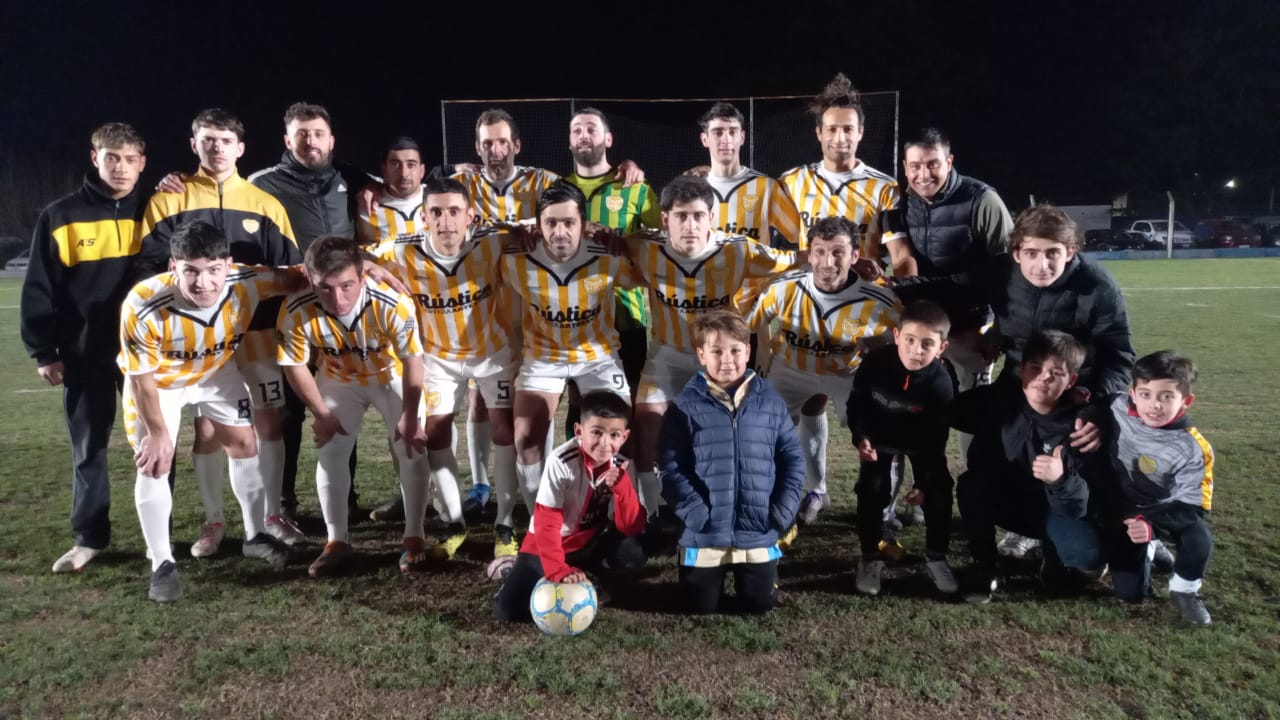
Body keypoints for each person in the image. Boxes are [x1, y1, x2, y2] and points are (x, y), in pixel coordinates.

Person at [138, 108, 302, 555]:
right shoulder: (168, 198)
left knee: (268, 421)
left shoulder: (264, 203)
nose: (217, 148)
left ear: (240, 148)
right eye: (208, 140)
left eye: (226, 140)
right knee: (208, 430)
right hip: (194, 340)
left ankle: (270, 516)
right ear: (194, 145)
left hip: (257, 336)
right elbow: (150, 267)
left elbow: (288, 272)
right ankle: (214, 521)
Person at [120, 221, 300, 602]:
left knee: (244, 443)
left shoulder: (247, 281)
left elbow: (301, 275)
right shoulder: (142, 303)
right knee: (155, 461)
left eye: (213, 270)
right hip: (161, 383)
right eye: (191, 271)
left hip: (215, 373)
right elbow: (141, 380)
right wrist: (158, 434)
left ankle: (254, 535)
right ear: (174, 267)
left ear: (228, 265)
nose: (203, 282)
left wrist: (369, 266)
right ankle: (162, 563)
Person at [629, 176, 799, 524]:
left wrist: (845, 262)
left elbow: (793, 260)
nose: (690, 225)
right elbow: (602, 242)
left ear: (711, 218)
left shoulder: (739, 249)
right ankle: (649, 513)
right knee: (646, 422)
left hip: (722, 358)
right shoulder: (643, 246)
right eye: (681, 216)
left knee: (737, 432)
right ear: (665, 219)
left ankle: (748, 502)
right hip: (668, 352)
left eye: (698, 216)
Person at [20, 123, 149, 573]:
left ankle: (160, 533)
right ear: (95, 158)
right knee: (89, 447)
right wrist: (44, 350)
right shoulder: (60, 215)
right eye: (112, 157)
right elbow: (39, 287)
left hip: (145, 353)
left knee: (155, 441)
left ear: (142, 163)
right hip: (84, 352)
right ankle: (90, 538)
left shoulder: (155, 209)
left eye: (130, 159)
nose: (121, 167)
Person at [373, 177, 517, 559]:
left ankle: (505, 523)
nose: (446, 220)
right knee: (435, 433)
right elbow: (349, 257)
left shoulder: (492, 242)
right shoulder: (401, 249)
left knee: (504, 430)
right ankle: (455, 524)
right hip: (438, 358)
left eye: (454, 211)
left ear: (470, 215)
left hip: (492, 353)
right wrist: (369, 265)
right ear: (423, 217)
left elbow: (532, 231)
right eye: (436, 212)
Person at [277, 236, 432, 576]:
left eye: (347, 285)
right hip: (339, 377)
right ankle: (336, 542)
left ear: (363, 276)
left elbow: (412, 360)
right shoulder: (295, 308)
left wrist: (410, 415)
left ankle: (414, 536)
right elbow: (294, 365)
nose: (338, 298)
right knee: (330, 449)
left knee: (411, 445)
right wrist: (321, 414)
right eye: (326, 288)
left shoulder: (392, 302)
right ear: (310, 278)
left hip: (390, 374)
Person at [502, 182, 641, 527]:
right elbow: (477, 233)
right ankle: (543, 524)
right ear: (538, 225)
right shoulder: (515, 258)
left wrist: (618, 238)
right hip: (543, 356)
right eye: (551, 223)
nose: (560, 231)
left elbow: (647, 269)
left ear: (584, 224)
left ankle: (615, 519)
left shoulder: (607, 256)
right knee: (526, 438)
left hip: (598, 356)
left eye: (569, 222)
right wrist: (515, 228)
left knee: (620, 434)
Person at [745, 216, 900, 527]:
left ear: (855, 256)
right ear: (810, 253)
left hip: (849, 373)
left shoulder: (880, 301)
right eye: (820, 251)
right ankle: (805, 495)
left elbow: (903, 339)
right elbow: (746, 326)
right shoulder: (783, 288)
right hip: (790, 368)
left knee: (880, 437)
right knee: (761, 435)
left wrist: (881, 356)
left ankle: (883, 512)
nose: (828, 262)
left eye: (838, 252)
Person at [659, 310, 805, 614]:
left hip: (757, 528)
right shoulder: (684, 406)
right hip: (706, 531)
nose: (727, 360)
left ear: (748, 351)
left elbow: (792, 458)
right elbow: (670, 466)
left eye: (735, 350)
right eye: (716, 351)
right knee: (699, 607)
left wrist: (781, 511)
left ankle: (761, 577)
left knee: (759, 605)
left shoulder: (770, 401)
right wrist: (696, 514)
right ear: (701, 355)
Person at [952, 331, 1110, 604]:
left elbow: (1078, 505)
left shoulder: (1082, 427)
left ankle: (1055, 557)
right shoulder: (996, 401)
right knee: (971, 484)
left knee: (1086, 555)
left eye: (1056, 373)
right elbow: (940, 409)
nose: (1043, 377)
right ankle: (985, 564)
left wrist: (1060, 480)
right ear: (1022, 369)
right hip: (1009, 504)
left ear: (1071, 381)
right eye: (1036, 367)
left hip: (1057, 510)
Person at [492, 391, 647, 623]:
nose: (605, 443)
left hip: (588, 542)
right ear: (579, 431)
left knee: (633, 552)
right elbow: (546, 523)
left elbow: (630, 526)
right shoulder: (561, 461)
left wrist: (623, 490)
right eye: (596, 432)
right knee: (508, 611)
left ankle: (589, 571)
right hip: (547, 542)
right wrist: (557, 570)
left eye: (614, 435)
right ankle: (513, 571)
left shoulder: (624, 463)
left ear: (624, 436)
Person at [845, 301, 957, 595]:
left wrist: (923, 484)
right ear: (896, 336)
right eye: (909, 340)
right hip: (880, 436)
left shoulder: (941, 382)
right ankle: (869, 557)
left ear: (942, 348)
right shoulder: (875, 362)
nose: (916, 350)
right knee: (872, 488)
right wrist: (861, 437)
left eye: (927, 344)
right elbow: (856, 405)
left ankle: (936, 558)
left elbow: (937, 438)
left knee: (939, 490)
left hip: (921, 442)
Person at [562, 107, 661, 435]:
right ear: (569, 141)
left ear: (608, 139)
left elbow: (662, 241)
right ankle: (579, 467)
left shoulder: (635, 188)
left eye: (592, 128)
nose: (584, 135)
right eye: (577, 130)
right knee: (579, 406)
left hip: (627, 315)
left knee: (628, 404)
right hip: (577, 318)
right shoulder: (557, 190)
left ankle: (627, 468)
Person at [1106, 351, 1216, 625]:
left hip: (1164, 512)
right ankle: (1151, 549)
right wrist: (1086, 415)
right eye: (1146, 394)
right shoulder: (1117, 406)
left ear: (1186, 401)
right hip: (1122, 511)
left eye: (1166, 396)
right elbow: (1094, 404)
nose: (1154, 405)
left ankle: (1185, 591)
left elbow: (1194, 506)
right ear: (1132, 394)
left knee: (1198, 538)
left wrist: (1150, 523)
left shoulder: (1193, 447)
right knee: (1131, 594)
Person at [779, 73, 909, 273]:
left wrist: (906, 287)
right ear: (819, 133)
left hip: (862, 289)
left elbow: (900, 254)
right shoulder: (792, 182)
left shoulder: (884, 187)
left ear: (860, 132)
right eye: (832, 129)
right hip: (811, 287)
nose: (840, 138)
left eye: (848, 129)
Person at [698, 102, 802, 251]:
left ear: (742, 137)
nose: (726, 140)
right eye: (718, 133)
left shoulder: (766, 187)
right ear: (705, 139)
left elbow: (800, 234)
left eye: (732, 132)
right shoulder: (694, 190)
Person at [357, 136, 428, 247]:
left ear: (422, 171)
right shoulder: (365, 206)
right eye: (395, 164)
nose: (404, 173)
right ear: (384, 170)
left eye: (411, 165)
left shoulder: (441, 199)